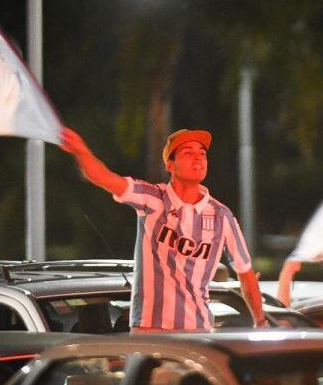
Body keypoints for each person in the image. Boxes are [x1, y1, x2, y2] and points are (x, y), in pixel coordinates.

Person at [61, 127, 268, 332]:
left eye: (202, 154)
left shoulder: (221, 215)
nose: (198, 158)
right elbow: (105, 178)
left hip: (196, 330)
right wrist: (81, 151)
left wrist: (261, 322)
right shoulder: (153, 199)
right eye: (188, 153)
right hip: (149, 327)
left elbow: (246, 274)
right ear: (170, 165)